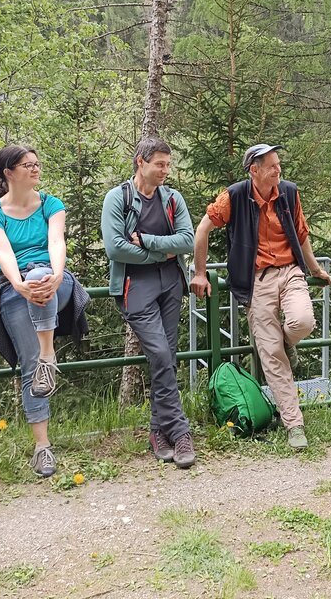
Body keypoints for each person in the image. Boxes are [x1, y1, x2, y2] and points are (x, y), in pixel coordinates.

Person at [191, 143, 331, 450]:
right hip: (256, 281)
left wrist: (316, 269)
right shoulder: (235, 196)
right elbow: (202, 230)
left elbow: (302, 234)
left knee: (303, 321)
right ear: (254, 171)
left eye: (279, 164)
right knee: (273, 357)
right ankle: (294, 424)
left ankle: (280, 343)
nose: (278, 170)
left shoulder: (289, 193)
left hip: (290, 271)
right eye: (272, 166)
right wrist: (200, 273)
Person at [0, 145, 89, 478]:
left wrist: (56, 276)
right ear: (8, 173)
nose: (35, 169)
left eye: (37, 164)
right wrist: (18, 283)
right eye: (27, 165)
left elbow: (57, 242)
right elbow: (4, 252)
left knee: (41, 273)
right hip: (16, 286)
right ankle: (42, 448)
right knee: (30, 368)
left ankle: (48, 354)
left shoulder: (51, 205)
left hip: (56, 280)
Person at [101, 138, 196, 468]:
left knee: (166, 356)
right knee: (158, 353)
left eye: (168, 164)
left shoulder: (172, 199)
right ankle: (180, 432)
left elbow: (187, 240)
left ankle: (159, 431)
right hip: (135, 285)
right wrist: (160, 252)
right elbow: (115, 248)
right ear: (140, 162)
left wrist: (149, 243)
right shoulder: (119, 198)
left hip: (170, 282)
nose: (165, 170)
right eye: (160, 164)